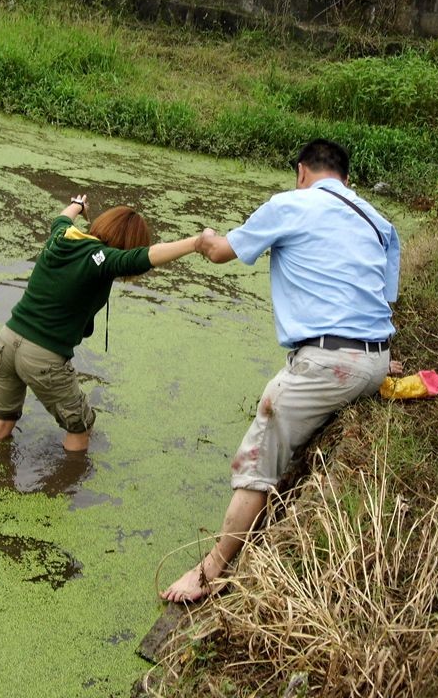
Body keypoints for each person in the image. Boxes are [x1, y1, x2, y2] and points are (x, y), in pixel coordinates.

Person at [161, 138, 403, 603]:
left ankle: (210, 571)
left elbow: (219, 253)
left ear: (301, 172)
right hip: (374, 361)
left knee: (258, 448)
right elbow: (379, 296)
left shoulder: (290, 205)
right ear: (347, 180)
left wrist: (204, 238)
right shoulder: (379, 221)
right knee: (279, 389)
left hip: (330, 364)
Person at [0, 194, 200, 452]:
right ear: (127, 244)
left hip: (6, 341)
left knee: (0, 423)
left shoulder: (62, 236)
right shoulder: (103, 259)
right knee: (80, 427)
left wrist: (78, 206)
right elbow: (143, 258)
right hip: (43, 356)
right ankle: (69, 486)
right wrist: (196, 243)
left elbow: (61, 218)